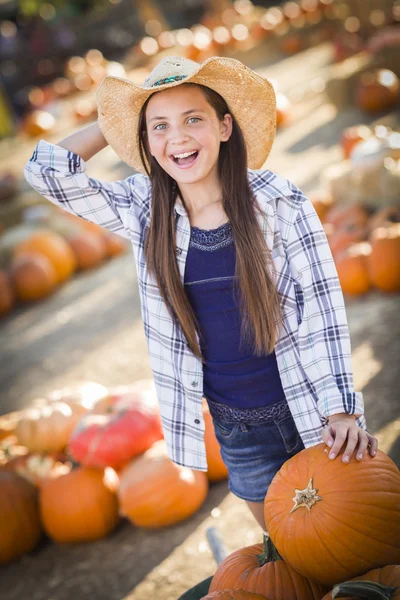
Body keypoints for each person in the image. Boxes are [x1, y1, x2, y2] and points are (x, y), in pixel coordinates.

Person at [24, 55, 378, 531]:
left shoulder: (277, 201)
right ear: (146, 141)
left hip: (311, 409)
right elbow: (46, 173)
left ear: (225, 127)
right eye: (160, 127)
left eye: (194, 119)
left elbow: (322, 309)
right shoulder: (143, 208)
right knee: (293, 552)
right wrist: (117, 124)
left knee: (358, 538)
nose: (179, 138)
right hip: (237, 431)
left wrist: (341, 410)